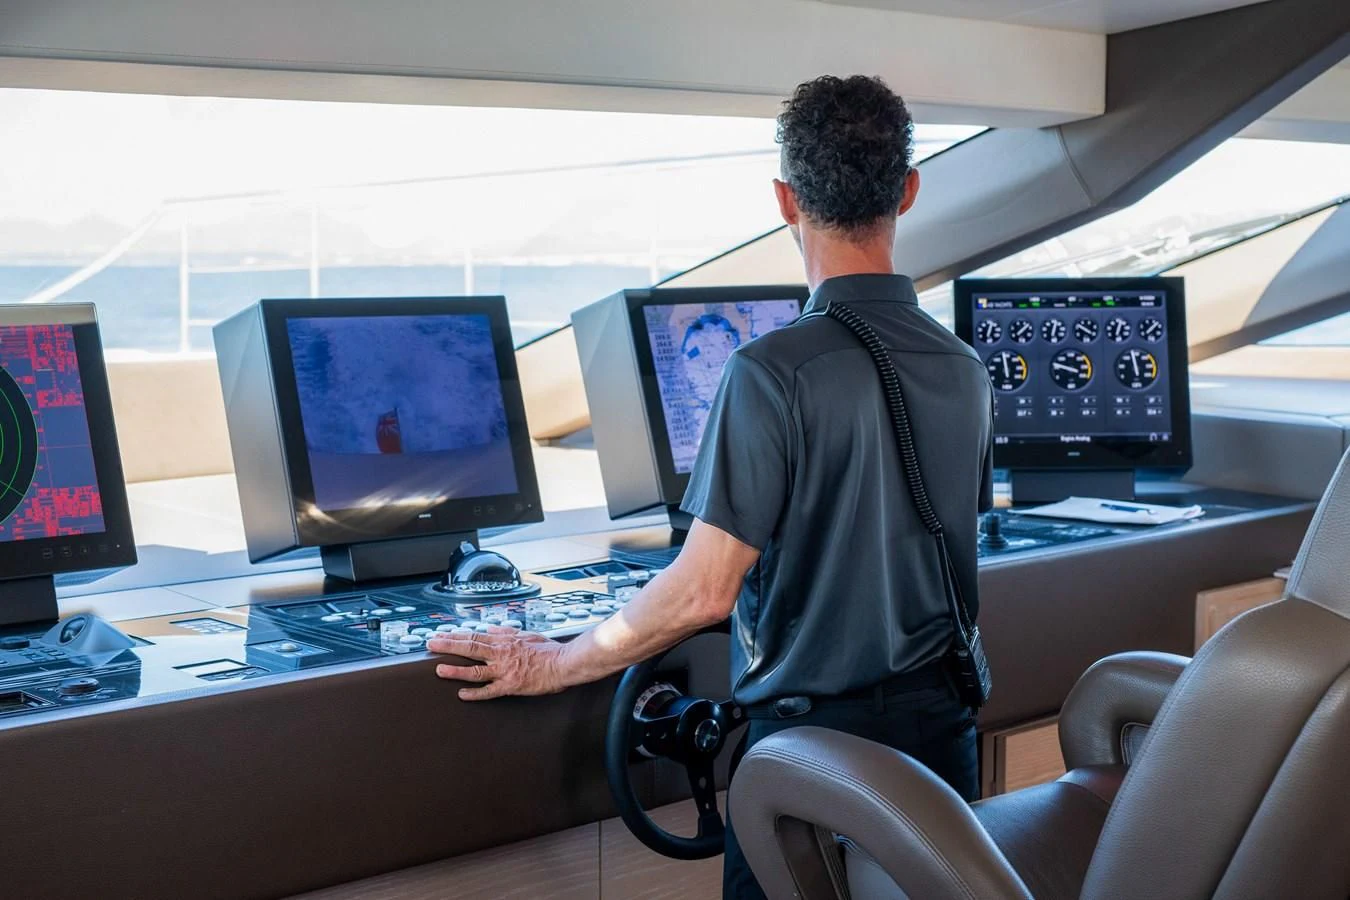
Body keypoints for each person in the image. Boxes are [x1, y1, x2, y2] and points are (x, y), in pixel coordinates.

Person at [428, 74, 994, 899]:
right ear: (907, 191)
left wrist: (557, 663)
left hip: (816, 768)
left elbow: (702, 592)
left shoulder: (770, 372)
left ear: (784, 199)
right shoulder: (965, 368)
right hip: (942, 748)